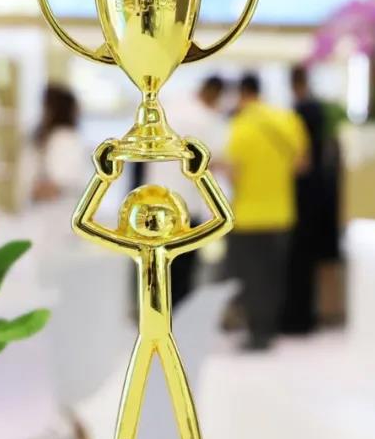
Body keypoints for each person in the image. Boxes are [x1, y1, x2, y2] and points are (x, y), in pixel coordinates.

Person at [72, 136, 232, 439]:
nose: (154, 221)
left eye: (162, 214)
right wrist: (103, 177)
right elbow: (81, 222)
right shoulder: (136, 247)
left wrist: (200, 174)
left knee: (178, 392)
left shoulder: (171, 247)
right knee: (136, 394)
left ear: (177, 217)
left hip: (162, 333)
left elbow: (223, 220)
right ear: (130, 218)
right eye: (146, 215)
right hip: (146, 333)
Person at [225, 72, 309, 351]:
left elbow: (234, 173)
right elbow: (301, 165)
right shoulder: (288, 120)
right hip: (281, 212)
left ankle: (256, 333)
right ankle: (268, 330)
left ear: (242, 94)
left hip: (247, 216)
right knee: (273, 276)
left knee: (251, 278)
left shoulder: (240, 125)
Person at [142, 74, 230, 305]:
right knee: (182, 272)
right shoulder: (205, 119)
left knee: (157, 271)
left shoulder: (171, 108)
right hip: (186, 207)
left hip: (155, 201)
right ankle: (179, 316)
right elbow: (215, 161)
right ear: (215, 94)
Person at [281, 63, 342, 334]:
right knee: (308, 259)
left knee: (298, 258)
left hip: (302, 193)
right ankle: (307, 317)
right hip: (318, 192)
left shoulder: (299, 113)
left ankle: (297, 319)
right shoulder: (319, 111)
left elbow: (300, 158)